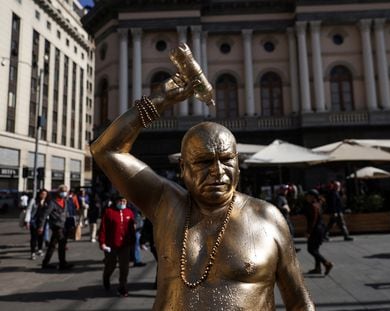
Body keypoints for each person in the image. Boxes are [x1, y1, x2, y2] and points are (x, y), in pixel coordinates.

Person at [90, 59, 314, 310]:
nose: (218, 171)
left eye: (227, 160)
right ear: (183, 169)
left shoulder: (268, 218)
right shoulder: (167, 205)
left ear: (238, 164)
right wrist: (159, 100)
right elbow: (105, 150)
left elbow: (299, 302)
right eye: (204, 162)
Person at [98, 196, 136, 297]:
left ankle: (122, 286)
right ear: (116, 201)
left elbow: (132, 229)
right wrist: (102, 243)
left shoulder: (129, 212)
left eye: (124, 201)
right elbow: (103, 229)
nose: (122, 202)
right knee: (111, 265)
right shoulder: (109, 212)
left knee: (124, 267)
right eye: (121, 200)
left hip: (125, 245)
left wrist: (133, 241)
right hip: (111, 245)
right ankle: (106, 277)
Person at [37, 184, 73, 270]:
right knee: (62, 243)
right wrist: (41, 226)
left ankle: (45, 263)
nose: (64, 193)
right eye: (63, 191)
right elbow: (44, 215)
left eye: (66, 191)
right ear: (59, 192)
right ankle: (62, 264)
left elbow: (66, 213)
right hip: (56, 226)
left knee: (52, 245)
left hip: (63, 225)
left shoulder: (65, 201)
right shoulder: (52, 202)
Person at [303, 189, 333, 275]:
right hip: (320, 229)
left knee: (311, 249)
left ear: (313, 197)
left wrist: (308, 232)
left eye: (308, 196)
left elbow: (313, 220)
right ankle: (317, 268)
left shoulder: (313, 206)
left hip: (316, 230)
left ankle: (326, 263)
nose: (306, 197)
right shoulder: (318, 204)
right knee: (315, 249)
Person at [25, 189, 49, 260]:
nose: (44, 195)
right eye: (43, 194)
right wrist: (27, 221)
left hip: (43, 221)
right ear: (39, 194)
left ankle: (40, 249)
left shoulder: (47, 202)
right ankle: (32, 253)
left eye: (45, 194)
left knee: (41, 236)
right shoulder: (33, 200)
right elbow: (29, 210)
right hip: (34, 221)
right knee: (34, 237)